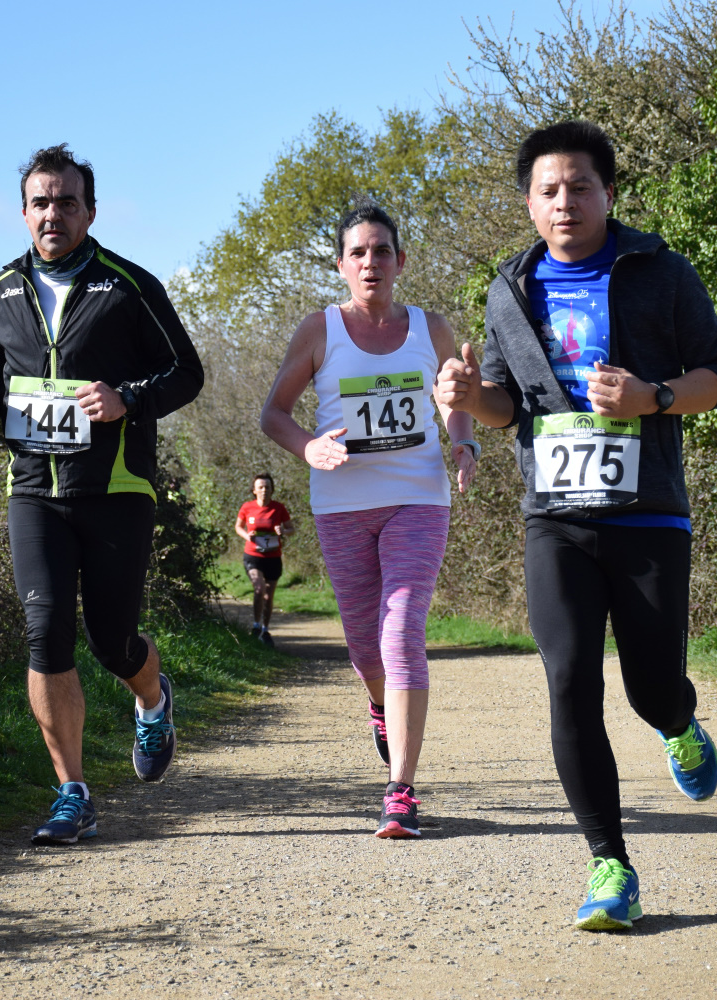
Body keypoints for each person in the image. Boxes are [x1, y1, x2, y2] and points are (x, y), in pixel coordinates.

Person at [434, 121, 717, 928]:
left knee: (649, 688)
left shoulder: (661, 271)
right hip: (556, 516)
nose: (564, 202)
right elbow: (505, 406)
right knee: (570, 678)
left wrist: (655, 397)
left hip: (648, 514)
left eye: (580, 187)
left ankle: (677, 720)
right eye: (548, 190)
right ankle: (610, 864)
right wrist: (468, 398)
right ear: (529, 204)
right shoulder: (510, 290)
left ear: (609, 193)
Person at [0, 144, 203, 846]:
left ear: (90, 211)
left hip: (115, 488)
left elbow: (186, 372)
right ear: (23, 213)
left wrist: (127, 398)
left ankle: (152, 699)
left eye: (67, 202)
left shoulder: (128, 286)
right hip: (33, 490)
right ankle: (73, 793)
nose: (53, 214)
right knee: (45, 633)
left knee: (111, 639)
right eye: (41, 202)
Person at [261, 203, 478, 838]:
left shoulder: (431, 328)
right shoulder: (319, 330)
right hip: (342, 506)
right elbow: (273, 413)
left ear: (400, 261)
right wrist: (308, 448)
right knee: (364, 645)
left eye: (382, 250)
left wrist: (462, 442)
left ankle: (400, 790)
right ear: (340, 265)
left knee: (401, 629)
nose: (370, 262)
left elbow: (453, 400)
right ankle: (380, 704)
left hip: (418, 497)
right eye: (358, 252)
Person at [235, 472, 294, 645]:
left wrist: (283, 531)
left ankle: (265, 630)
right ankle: (255, 625)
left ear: (272, 489)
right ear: (254, 490)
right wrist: (248, 536)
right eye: (260, 487)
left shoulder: (278, 508)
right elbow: (238, 527)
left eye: (267, 487)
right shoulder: (247, 507)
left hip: (273, 557)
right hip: (253, 556)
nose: (264, 490)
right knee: (259, 588)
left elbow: (291, 529)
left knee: (268, 596)